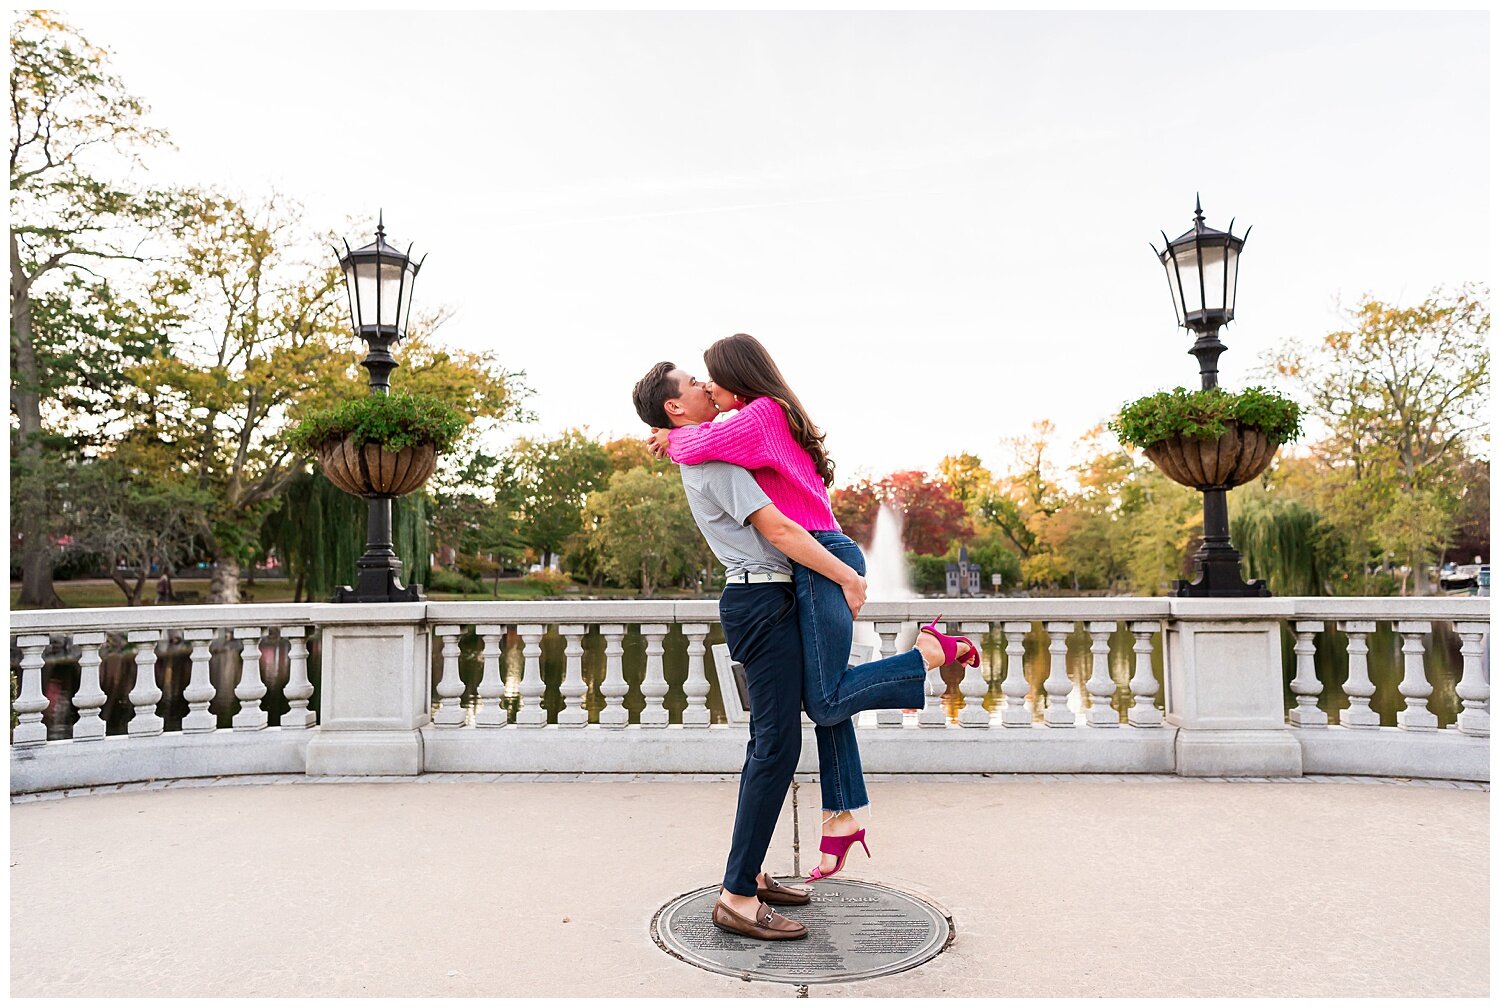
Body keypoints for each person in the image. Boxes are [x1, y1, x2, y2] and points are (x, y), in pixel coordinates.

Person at [648, 333, 976, 881]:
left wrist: (667, 436)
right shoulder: (766, 415)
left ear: (737, 375)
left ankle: (928, 653)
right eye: (696, 380)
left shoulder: (760, 414)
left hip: (821, 554)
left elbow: (695, 447)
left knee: (823, 700)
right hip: (812, 558)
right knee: (826, 687)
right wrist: (673, 429)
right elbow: (703, 447)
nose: (707, 385)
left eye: (710, 375)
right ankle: (842, 816)